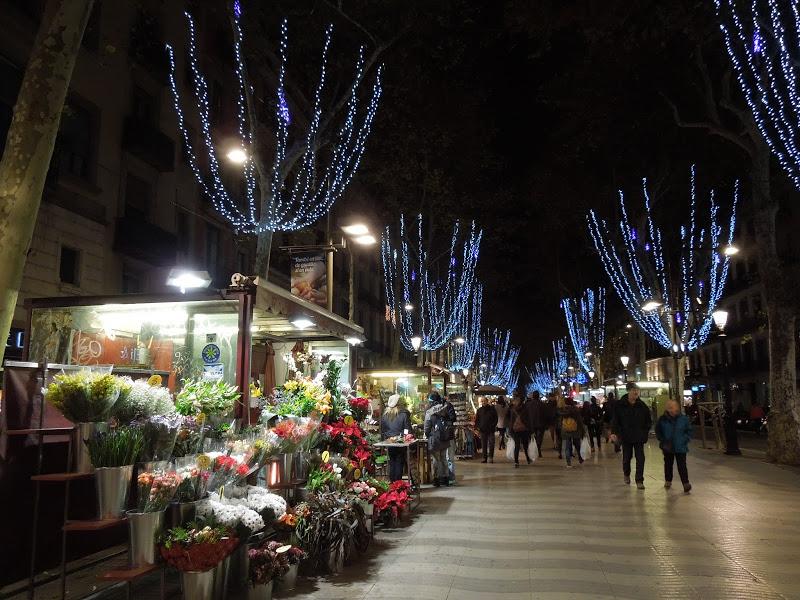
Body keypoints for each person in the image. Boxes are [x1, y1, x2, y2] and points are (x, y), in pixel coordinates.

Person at [611, 382, 652, 489]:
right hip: (626, 436)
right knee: (627, 457)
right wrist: (614, 432)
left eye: (637, 390)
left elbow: (648, 421)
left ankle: (639, 480)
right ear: (628, 391)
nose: (636, 392)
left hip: (639, 436)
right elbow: (615, 420)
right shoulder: (620, 405)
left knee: (640, 458)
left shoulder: (642, 406)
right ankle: (626, 474)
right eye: (634, 390)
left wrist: (644, 432)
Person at [655, 398, 693, 493]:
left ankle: (685, 483)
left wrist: (685, 439)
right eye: (670, 407)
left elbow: (689, 431)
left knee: (682, 465)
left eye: (674, 407)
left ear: (677, 408)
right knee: (668, 464)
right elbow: (658, 431)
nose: (672, 409)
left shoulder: (683, 419)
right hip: (667, 446)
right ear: (667, 408)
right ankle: (668, 480)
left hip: (680, 446)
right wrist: (662, 440)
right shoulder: (662, 419)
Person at [381, 394, 412, 482]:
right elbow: (407, 429)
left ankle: (392, 483)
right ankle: (398, 484)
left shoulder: (385, 415)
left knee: (392, 461)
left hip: (389, 441)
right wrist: (405, 435)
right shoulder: (404, 414)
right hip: (400, 442)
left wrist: (387, 438)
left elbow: (383, 430)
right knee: (399, 461)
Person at [424, 392, 452, 487]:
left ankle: (436, 479)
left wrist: (428, 435)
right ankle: (446, 478)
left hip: (435, 439)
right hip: (445, 438)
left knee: (436, 459)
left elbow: (427, 428)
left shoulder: (429, 412)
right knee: (444, 458)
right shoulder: (445, 408)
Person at [508, 391, 532, 467]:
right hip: (524, 429)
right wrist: (530, 429)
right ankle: (528, 459)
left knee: (517, 446)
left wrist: (510, 430)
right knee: (525, 445)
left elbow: (510, 420)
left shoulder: (512, 409)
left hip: (515, 429)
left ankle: (516, 462)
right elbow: (528, 419)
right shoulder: (525, 408)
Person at [559, 398, 585, 467]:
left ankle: (568, 463)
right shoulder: (576, 409)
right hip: (575, 430)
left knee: (567, 446)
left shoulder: (563, 410)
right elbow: (579, 420)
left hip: (566, 430)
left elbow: (560, 421)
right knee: (577, 445)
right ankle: (580, 457)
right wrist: (582, 430)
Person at [474, 396, 498, 463]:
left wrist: (493, 426)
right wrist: (477, 427)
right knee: (483, 444)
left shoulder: (492, 409)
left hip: (491, 430)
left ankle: (490, 457)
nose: (483, 402)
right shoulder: (479, 410)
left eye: (484, 401)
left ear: (487, 401)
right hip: (482, 430)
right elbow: (477, 420)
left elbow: (496, 419)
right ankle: (484, 458)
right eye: (482, 401)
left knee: (491, 443)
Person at [526, 390, 546, 458]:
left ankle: (532, 450)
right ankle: (538, 450)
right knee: (539, 438)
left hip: (531, 424)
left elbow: (526, 415)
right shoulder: (542, 404)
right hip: (541, 424)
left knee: (532, 438)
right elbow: (545, 415)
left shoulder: (528, 404)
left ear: (532, 396)